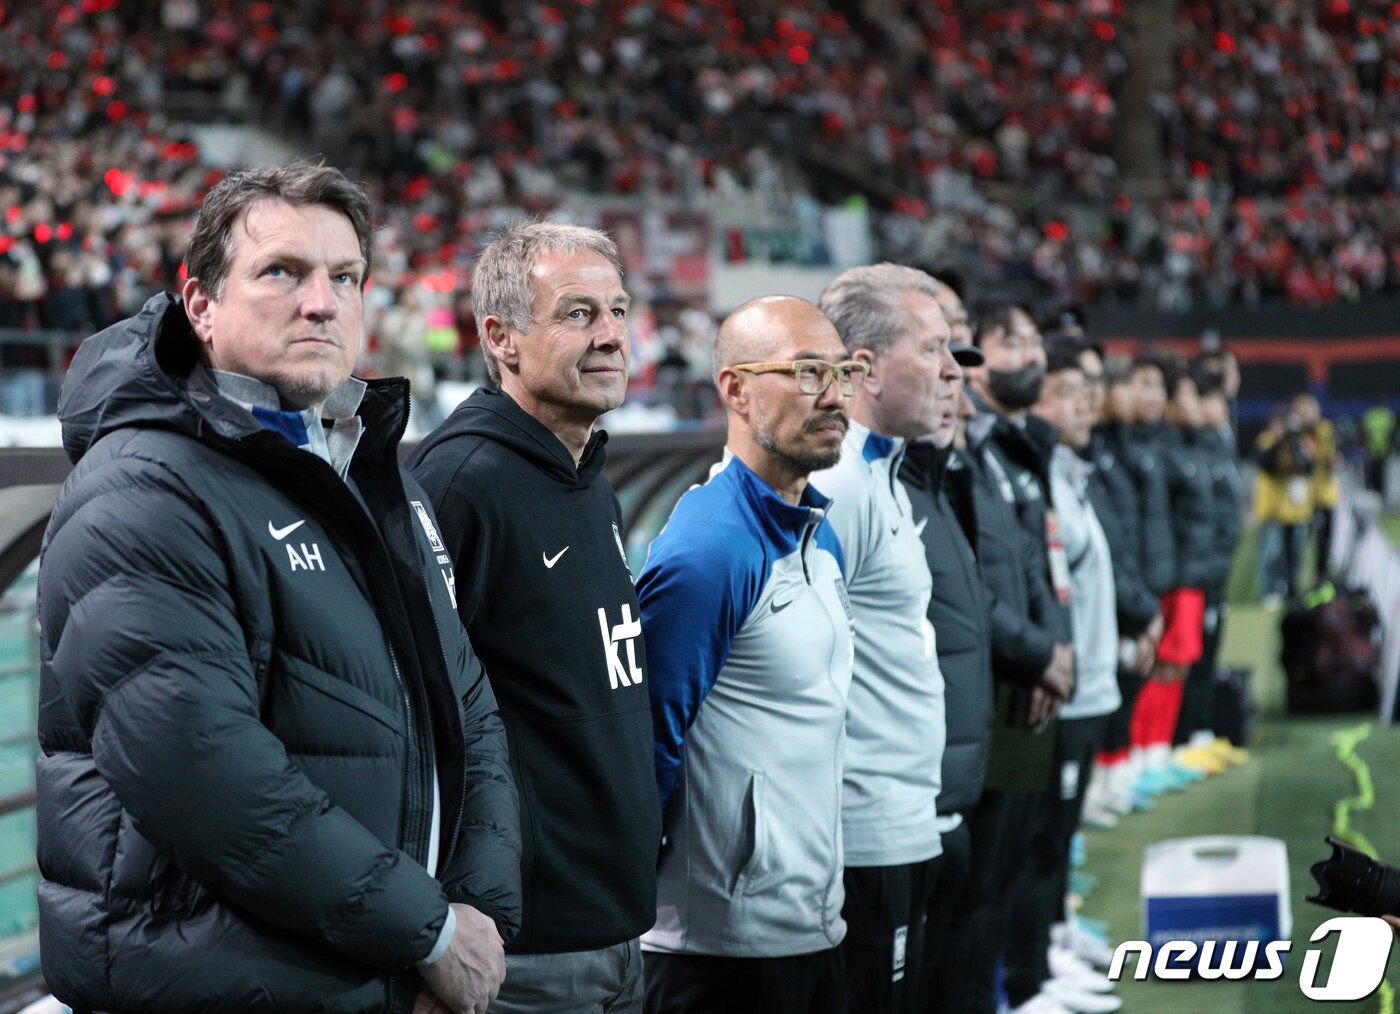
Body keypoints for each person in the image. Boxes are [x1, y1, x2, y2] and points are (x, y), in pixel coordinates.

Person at [36, 162, 521, 1014]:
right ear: (200, 306)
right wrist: (428, 932)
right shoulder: (140, 484)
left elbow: (465, 697)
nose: (322, 303)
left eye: (345, 277)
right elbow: (204, 771)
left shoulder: (372, 471)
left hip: (377, 971)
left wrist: (476, 912)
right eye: (281, 273)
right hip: (217, 983)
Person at [407, 222, 660, 1013]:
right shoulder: (458, 484)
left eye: (618, 312)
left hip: (620, 928)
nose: (612, 335)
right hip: (529, 952)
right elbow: (413, 719)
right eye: (579, 315)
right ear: (501, 338)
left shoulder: (592, 477)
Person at [638, 296, 859, 1013]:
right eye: (803, 373)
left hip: (810, 924)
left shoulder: (817, 530)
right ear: (734, 389)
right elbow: (650, 746)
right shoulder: (710, 548)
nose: (831, 394)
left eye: (839, 372)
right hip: (718, 952)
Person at [811, 263, 955, 1014]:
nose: (952, 371)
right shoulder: (837, 485)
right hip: (863, 830)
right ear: (864, 368)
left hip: (900, 814)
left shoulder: (881, 473)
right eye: (933, 349)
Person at [1019, 339, 1125, 1014]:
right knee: (1041, 838)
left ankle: (1055, 939)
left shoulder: (1070, 472)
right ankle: (1037, 965)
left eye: (1090, 390)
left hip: (1088, 684)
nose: (1084, 403)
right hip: (1065, 687)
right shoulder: (1040, 477)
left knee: (1058, 835)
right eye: (1068, 390)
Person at [896, 308, 992, 1012]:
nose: (953, 375)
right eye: (934, 350)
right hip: (899, 807)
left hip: (950, 780)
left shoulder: (936, 478)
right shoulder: (863, 492)